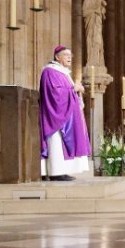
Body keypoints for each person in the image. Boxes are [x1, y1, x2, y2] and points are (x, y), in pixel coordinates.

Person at [39, 46, 92, 181]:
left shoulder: (63, 73)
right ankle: (56, 172)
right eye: (66, 55)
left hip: (67, 116)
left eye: (70, 55)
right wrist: (74, 88)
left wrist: (76, 90)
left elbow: (67, 91)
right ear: (57, 57)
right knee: (56, 142)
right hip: (56, 118)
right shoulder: (50, 71)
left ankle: (62, 170)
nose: (70, 57)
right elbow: (54, 94)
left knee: (62, 144)